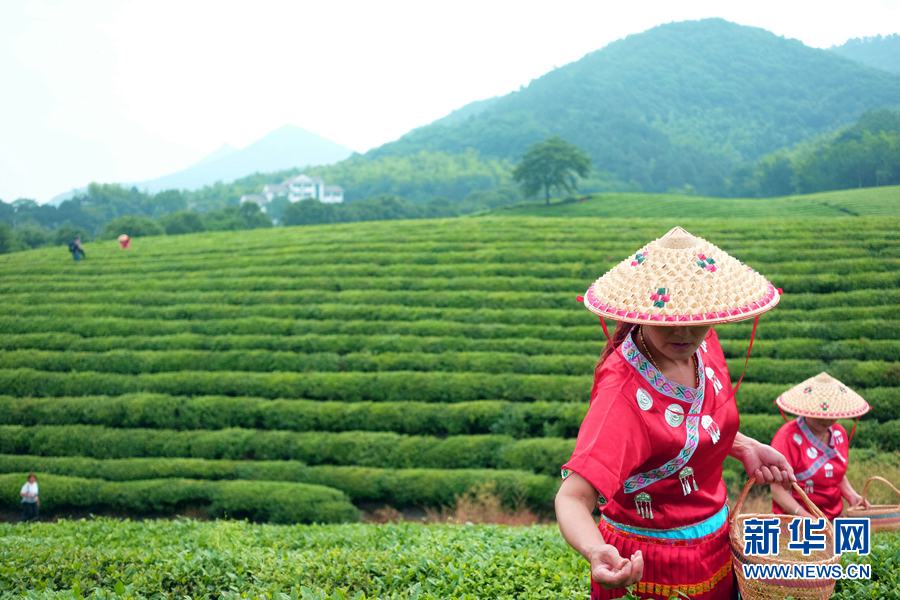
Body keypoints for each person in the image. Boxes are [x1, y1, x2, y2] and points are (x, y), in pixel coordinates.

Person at [555, 226, 796, 600]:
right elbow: (572, 497)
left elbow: (690, 422)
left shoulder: (702, 343)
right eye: (669, 319)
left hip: (715, 543)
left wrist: (743, 445)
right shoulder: (622, 397)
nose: (684, 331)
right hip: (653, 564)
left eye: (696, 318)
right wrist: (595, 550)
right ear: (643, 308)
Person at [769, 372, 871, 520]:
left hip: (833, 519)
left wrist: (852, 496)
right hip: (795, 523)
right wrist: (805, 517)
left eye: (831, 416)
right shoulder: (787, 437)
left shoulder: (839, 434)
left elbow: (836, 473)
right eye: (819, 416)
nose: (825, 420)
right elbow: (777, 490)